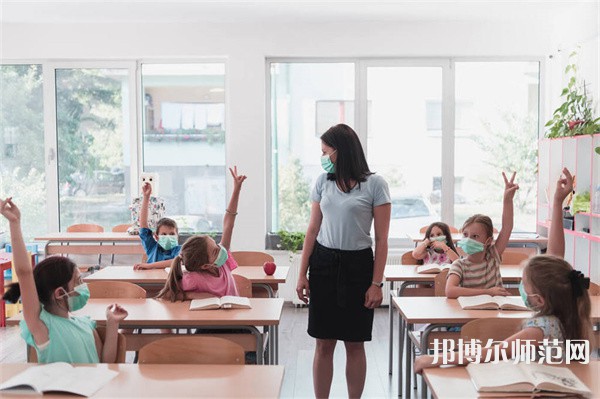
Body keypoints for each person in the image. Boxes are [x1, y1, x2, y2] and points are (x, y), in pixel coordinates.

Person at [415, 168, 592, 373]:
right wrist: (557, 203)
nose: (521, 289)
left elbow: (489, 353)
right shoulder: (572, 317)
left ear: (540, 299)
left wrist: (433, 359)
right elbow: (555, 258)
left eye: (524, 284)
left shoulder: (541, 328)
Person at [295, 124, 391, 399]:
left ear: (341, 151)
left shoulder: (375, 184)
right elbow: (312, 230)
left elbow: (382, 240)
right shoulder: (322, 182)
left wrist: (376, 283)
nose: (322, 156)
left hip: (358, 266)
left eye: (325, 151)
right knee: (323, 343)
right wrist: (302, 274)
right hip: (324, 263)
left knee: (354, 343)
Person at [1, 198, 128, 364]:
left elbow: (105, 363)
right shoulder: (43, 326)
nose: (83, 286)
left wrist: (112, 323)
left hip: (92, 389)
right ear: (60, 293)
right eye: (78, 281)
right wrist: (15, 222)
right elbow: (25, 273)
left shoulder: (86, 324)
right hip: (60, 390)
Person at [156, 166, 246, 301]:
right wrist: (192, 295)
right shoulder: (194, 278)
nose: (221, 249)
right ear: (205, 266)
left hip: (235, 318)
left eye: (216, 244)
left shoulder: (223, 261)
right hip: (213, 321)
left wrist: (237, 189)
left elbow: (229, 223)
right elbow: (167, 295)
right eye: (215, 251)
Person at [445, 172, 519, 298]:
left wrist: (507, 200)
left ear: (488, 241)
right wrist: (487, 292)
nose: (468, 240)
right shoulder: (459, 265)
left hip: (495, 313)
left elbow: (507, 227)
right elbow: (450, 291)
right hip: (471, 316)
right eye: (465, 235)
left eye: (475, 236)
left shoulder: (493, 257)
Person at [134, 182, 181, 270]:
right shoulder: (152, 247)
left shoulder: (179, 250)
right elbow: (143, 225)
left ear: (177, 236)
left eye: (171, 234)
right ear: (156, 236)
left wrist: (149, 265)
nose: (168, 237)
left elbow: (176, 262)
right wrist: (146, 197)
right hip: (151, 281)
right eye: (163, 234)